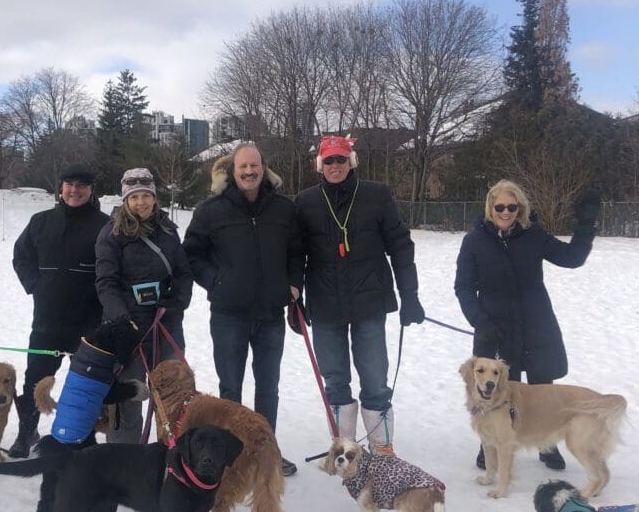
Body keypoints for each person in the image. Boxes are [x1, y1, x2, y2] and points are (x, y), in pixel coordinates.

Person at [454, 179, 601, 470]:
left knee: (541, 389)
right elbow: (464, 287)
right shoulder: (474, 241)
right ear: (490, 208)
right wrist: (481, 322)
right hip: (494, 327)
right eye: (500, 207)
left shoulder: (534, 235)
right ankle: (490, 444)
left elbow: (572, 258)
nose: (506, 212)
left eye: (512, 206)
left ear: (519, 207)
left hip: (536, 324)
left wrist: (585, 225)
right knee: (491, 388)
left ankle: (546, 444)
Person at [294, 135, 425, 455]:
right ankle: (344, 447)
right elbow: (295, 254)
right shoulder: (305, 201)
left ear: (351, 161)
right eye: (329, 160)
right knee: (335, 379)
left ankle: (382, 448)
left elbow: (400, 246)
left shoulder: (376, 195)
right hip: (325, 304)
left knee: (375, 378)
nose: (335, 165)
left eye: (340, 159)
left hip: (369, 301)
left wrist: (410, 295)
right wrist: (294, 301)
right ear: (319, 164)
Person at [183, 142, 302, 476]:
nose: (249, 172)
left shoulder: (283, 209)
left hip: (270, 315)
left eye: (254, 166)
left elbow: (296, 251)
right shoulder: (211, 210)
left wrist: (294, 282)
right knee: (230, 389)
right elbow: (191, 254)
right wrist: (217, 281)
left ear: (263, 168)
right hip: (228, 315)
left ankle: (266, 453)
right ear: (232, 171)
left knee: (268, 387)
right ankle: (231, 455)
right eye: (243, 167)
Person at [11, 163, 109, 457]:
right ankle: (26, 432)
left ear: (91, 190)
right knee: (35, 380)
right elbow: (21, 256)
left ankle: (82, 436)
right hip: (47, 321)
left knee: (85, 385)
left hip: (89, 322)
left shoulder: (105, 225)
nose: (74, 190)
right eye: (69, 184)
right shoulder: (40, 222)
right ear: (61, 187)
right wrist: (36, 285)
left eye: (81, 185)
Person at [95, 168, 193, 443]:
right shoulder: (111, 233)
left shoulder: (168, 230)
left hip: (166, 325)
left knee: (174, 398)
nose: (141, 202)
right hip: (129, 329)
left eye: (146, 196)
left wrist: (179, 301)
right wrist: (121, 321)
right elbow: (106, 282)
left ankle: (171, 458)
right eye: (135, 196)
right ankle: (123, 463)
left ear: (154, 197)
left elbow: (183, 272)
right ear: (126, 199)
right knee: (128, 400)